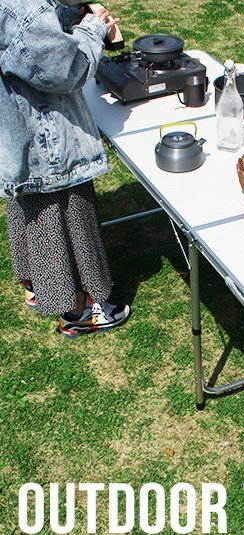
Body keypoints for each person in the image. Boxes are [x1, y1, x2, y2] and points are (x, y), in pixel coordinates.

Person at [0, 0, 130, 337]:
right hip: (46, 135)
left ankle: (37, 285)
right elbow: (67, 71)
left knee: (29, 210)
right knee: (64, 220)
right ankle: (80, 311)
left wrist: (72, 14)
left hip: (17, 131)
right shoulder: (22, 6)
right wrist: (93, 29)